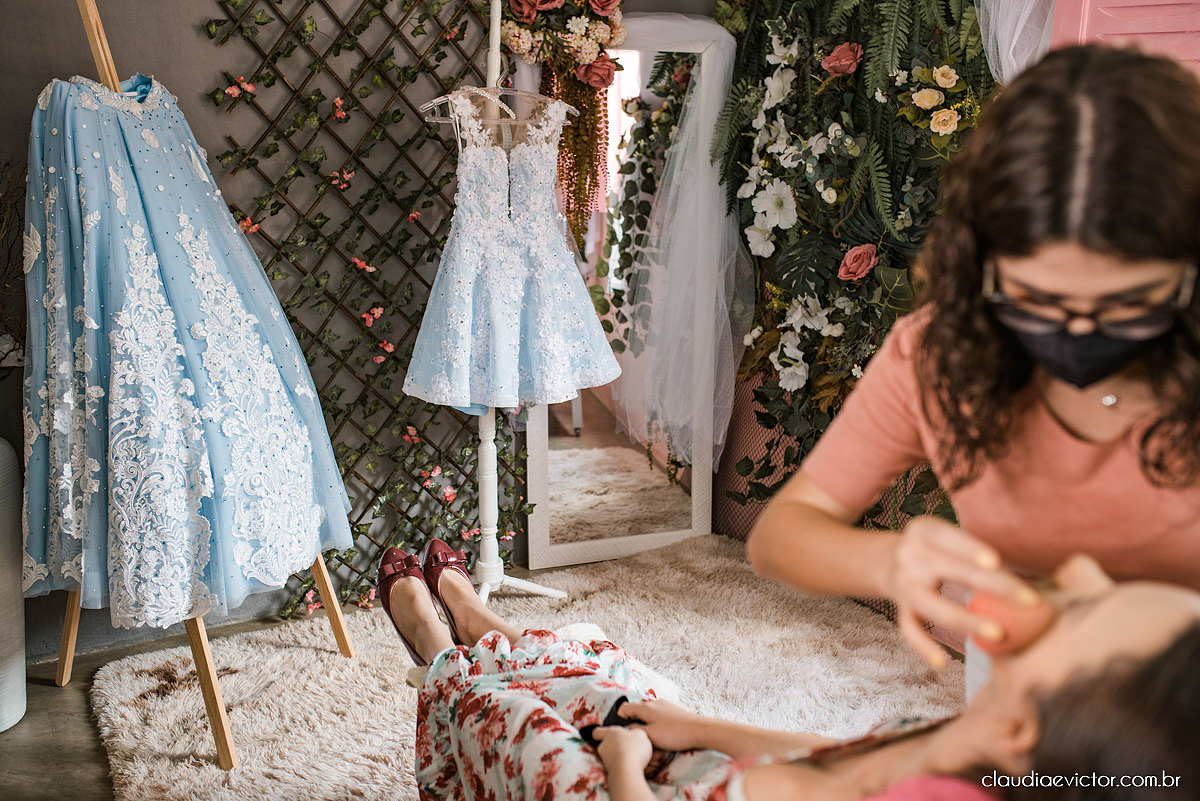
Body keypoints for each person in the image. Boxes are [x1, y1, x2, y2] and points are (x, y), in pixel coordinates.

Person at [745, 43, 1200, 697]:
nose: (1077, 332)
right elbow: (781, 537)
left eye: (1126, 305)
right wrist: (891, 562)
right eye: (1038, 300)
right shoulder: (942, 353)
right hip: (1018, 686)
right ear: (982, 261)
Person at [381, 540, 1200, 800]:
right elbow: (835, 750)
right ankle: (486, 624)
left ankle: (445, 649)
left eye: (1083, 610)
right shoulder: (990, 752)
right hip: (713, 763)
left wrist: (628, 767)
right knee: (610, 678)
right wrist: (695, 726)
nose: (1085, 569)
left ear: (1027, 725)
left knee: (514, 723)